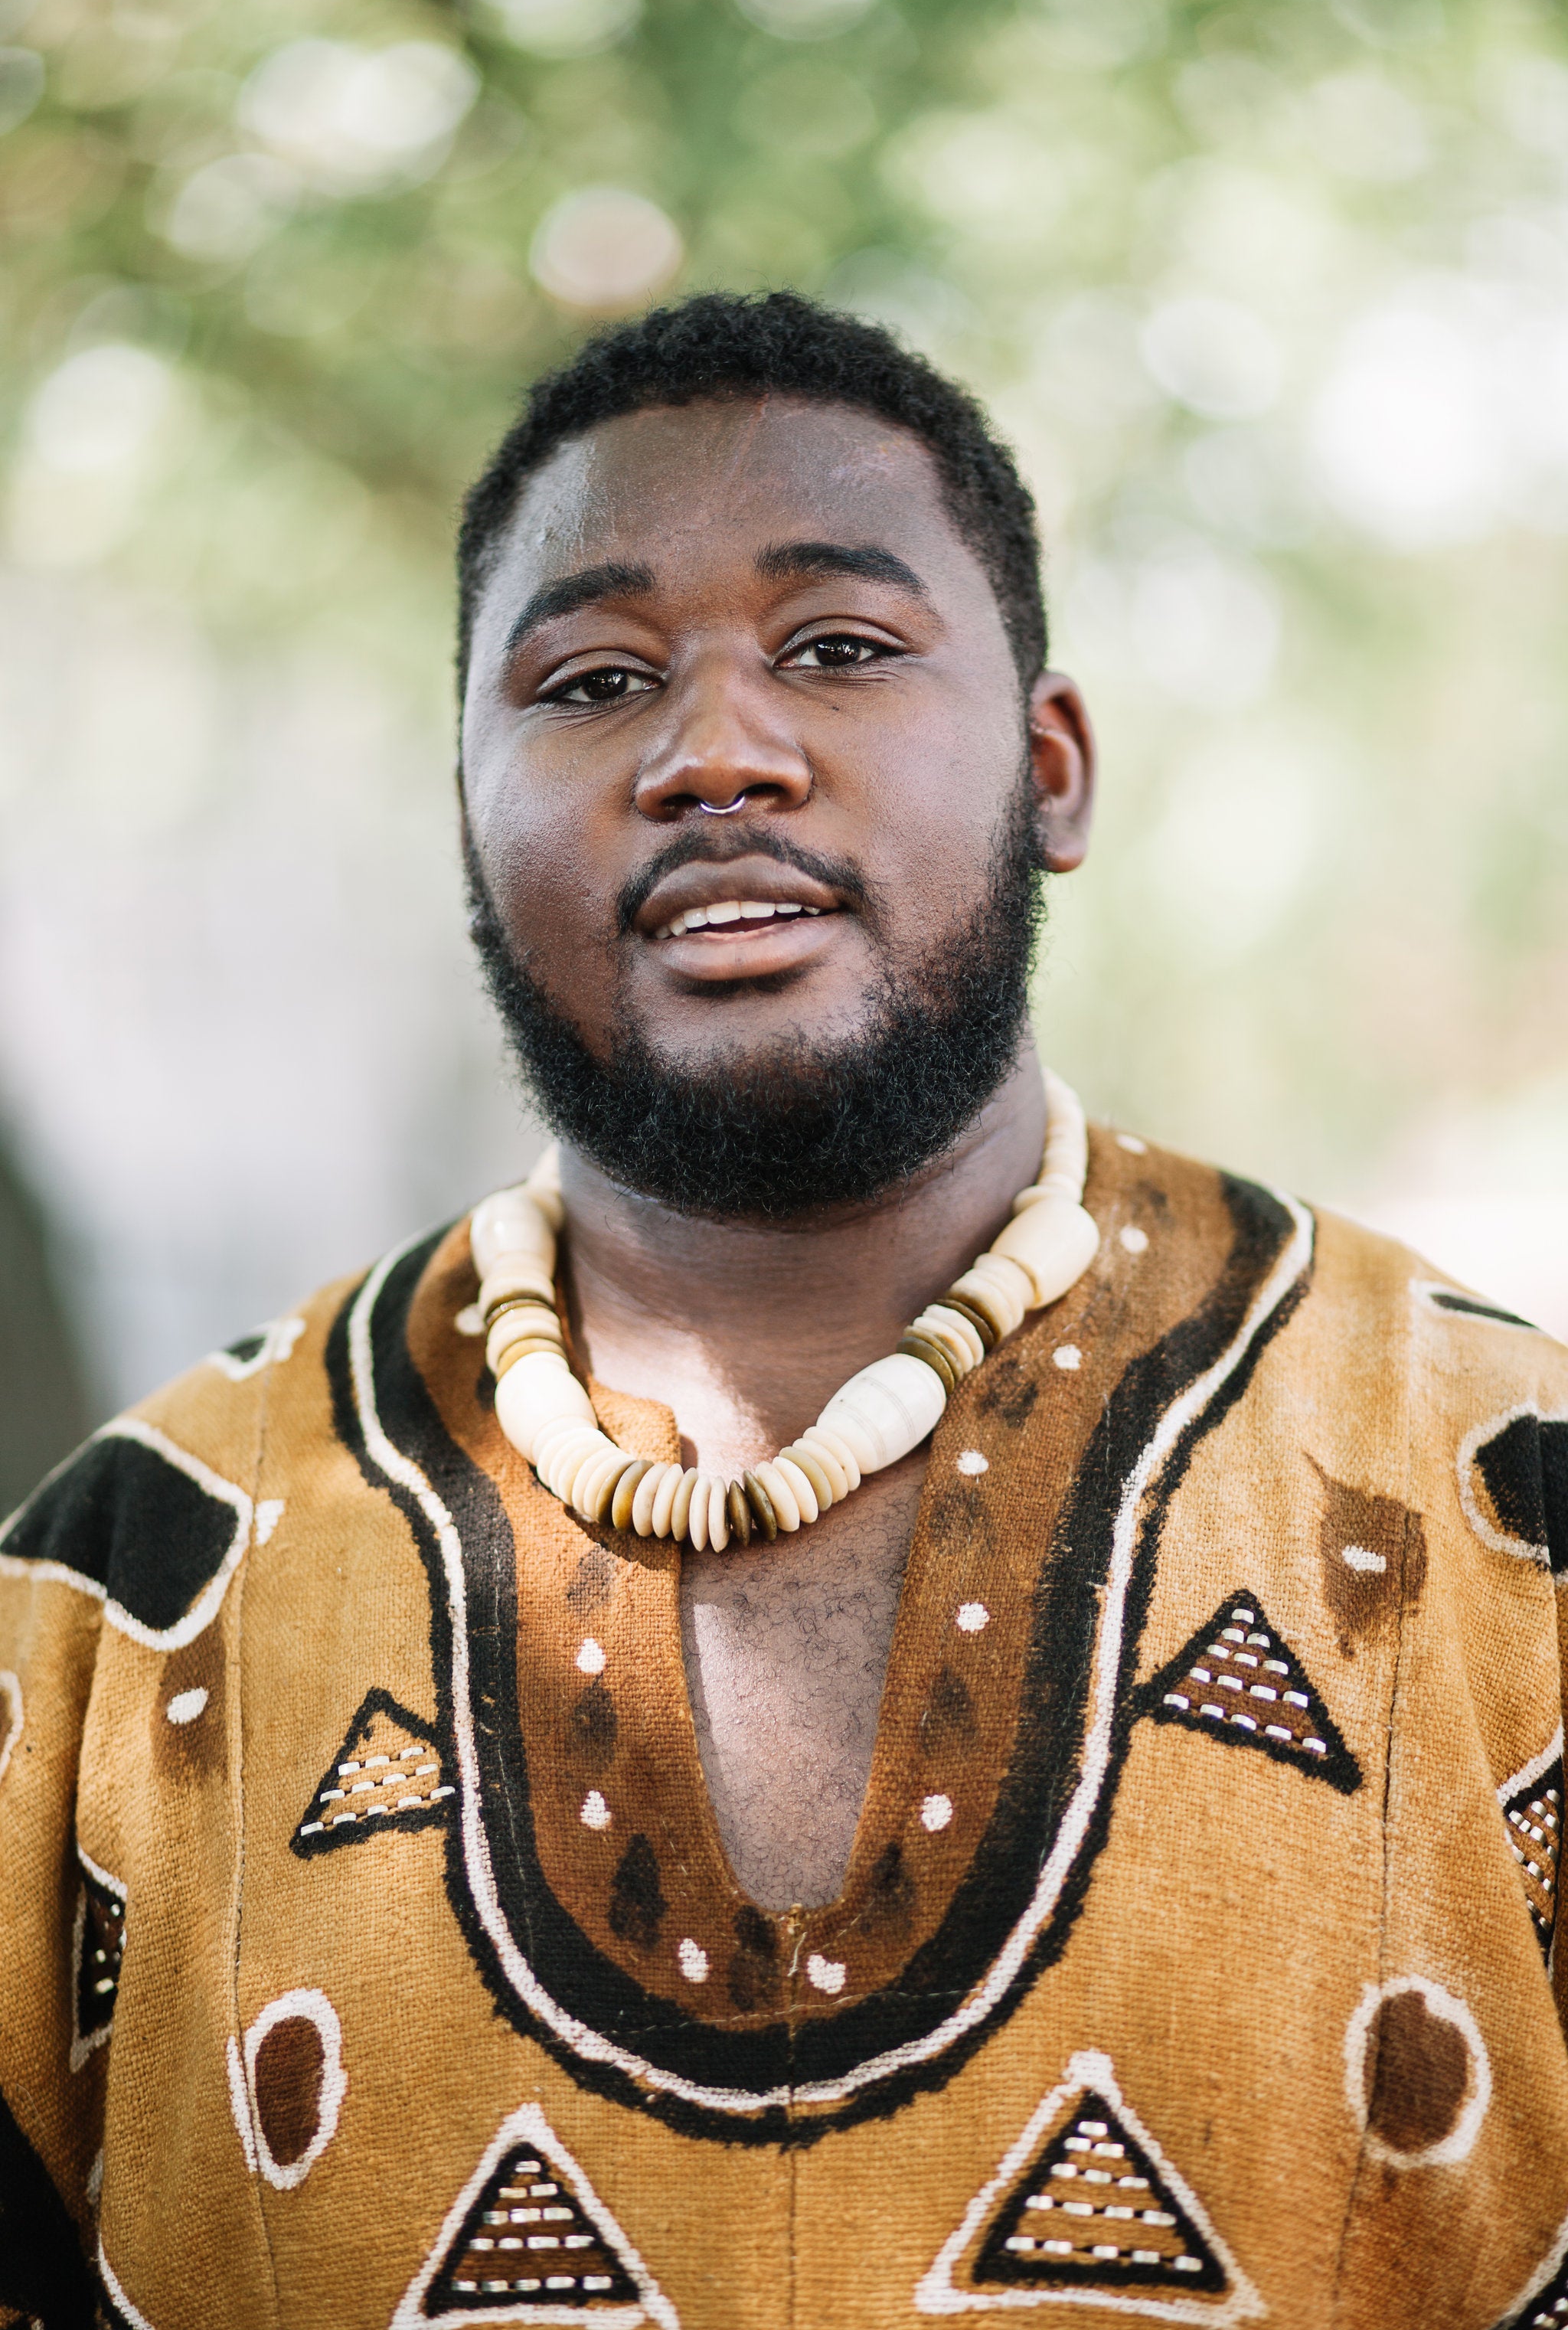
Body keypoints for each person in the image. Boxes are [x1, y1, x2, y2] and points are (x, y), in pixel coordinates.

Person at [2, 291, 1566, 2330]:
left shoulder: (1504, 1519)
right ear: (467, 818)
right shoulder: (130, 1597)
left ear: (1053, 768)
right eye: (591, 678)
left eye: (837, 648)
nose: (714, 752)